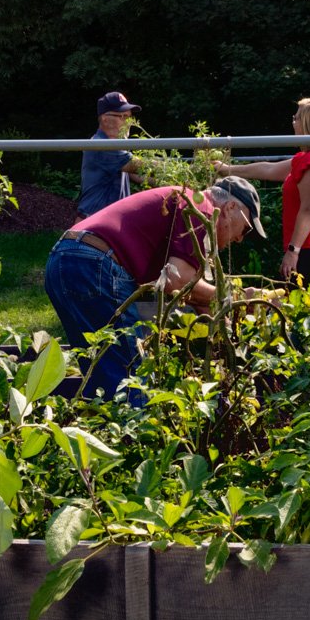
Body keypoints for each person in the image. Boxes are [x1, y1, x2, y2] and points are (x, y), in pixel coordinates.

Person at [45, 176, 265, 399]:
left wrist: (228, 333)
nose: (239, 239)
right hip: (95, 264)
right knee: (130, 384)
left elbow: (194, 295)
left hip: (64, 258)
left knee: (100, 371)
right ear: (230, 207)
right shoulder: (201, 211)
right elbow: (176, 281)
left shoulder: (188, 202)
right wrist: (238, 298)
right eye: (245, 230)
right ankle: (131, 433)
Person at [214, 97, 310, 283]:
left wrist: (293, 252)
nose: (293, 123)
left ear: (309, 123)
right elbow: (268, 169)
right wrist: (227, 169)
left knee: (304, 307)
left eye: (297, 118)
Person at [77, 91, 142, 219]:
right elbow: (135, 166)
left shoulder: (117, 147)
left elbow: (138, 176)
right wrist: (174, 168)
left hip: (107, 221)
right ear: (105, 118)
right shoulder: (101, 144)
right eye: (122, 117)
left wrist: (173, 182)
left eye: (129, 117)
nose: (129, 123)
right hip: (93, 223)